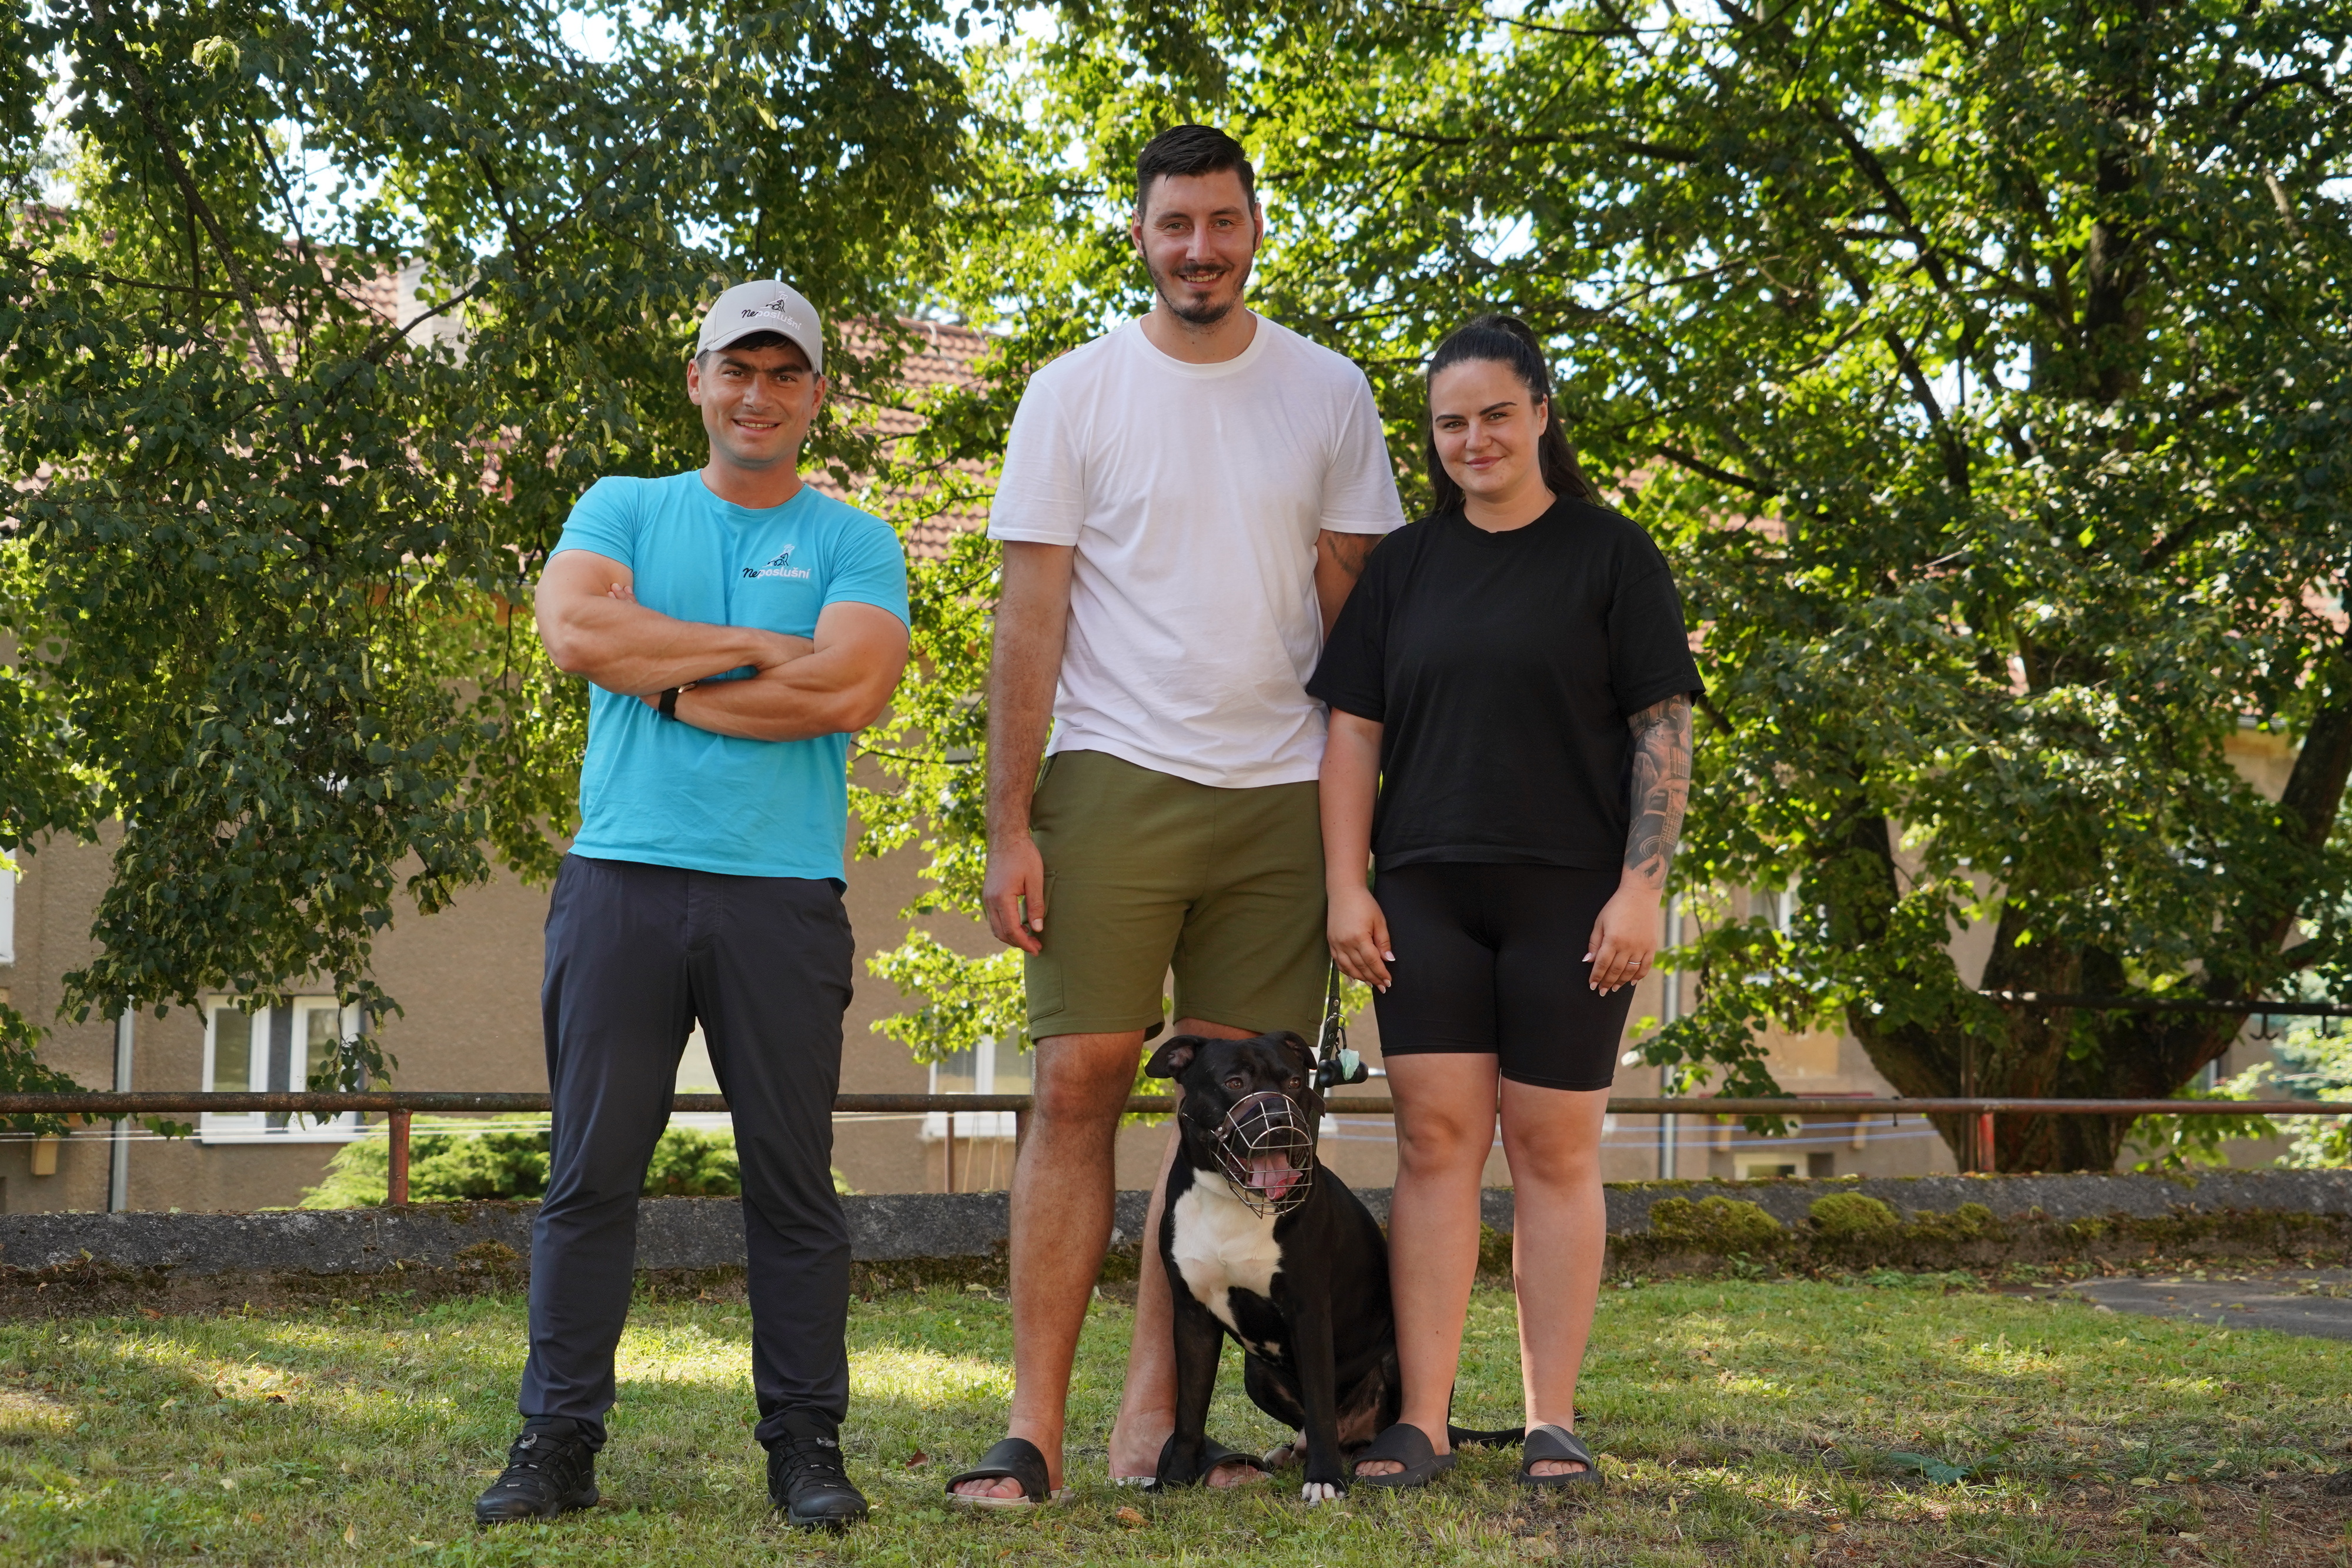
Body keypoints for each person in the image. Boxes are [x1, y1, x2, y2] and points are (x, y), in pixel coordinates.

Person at [947, 124, 1406, 1506]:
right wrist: (1006, 823)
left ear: (1254, 229)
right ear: (1139, 236)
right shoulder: (1072, 393)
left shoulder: (1328, 393)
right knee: (1077, 1083)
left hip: (1277, 797)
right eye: (1173, 224)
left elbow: (1355, 619)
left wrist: (1363, 827)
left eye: (1220, 221)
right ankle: (1028, 1429)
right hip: (1109, 778)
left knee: (1224, 1121)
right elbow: (1027, 618)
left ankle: (1159, 1425)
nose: (1197, 246)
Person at [475, 280, 911, 1531]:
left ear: (815, 394)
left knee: (791, 1178)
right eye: (738, 369)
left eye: (785, 374)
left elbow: (848, 688)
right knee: (589, 1172)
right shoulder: (622, 505)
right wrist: (763, 649)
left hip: (781, 892)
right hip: (621, 876)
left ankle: (805, 1444)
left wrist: (660, 675)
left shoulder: (854, 538)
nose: (758, 395)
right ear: (697, 379)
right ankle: (557, 1439)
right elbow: (571, 631)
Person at [1307, 314, 1699, 1490]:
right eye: (1447, 422)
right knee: (1432, 1141)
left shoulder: (1610, 554)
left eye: (1492, 413)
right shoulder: (1405, 567)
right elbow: (1351, 734)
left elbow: (1661, 730)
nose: (1470, 438)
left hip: (1571, 899)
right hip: (1423, 889)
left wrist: (1642, 888)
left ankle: (1550, 1418)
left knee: (1550, 1147)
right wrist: (1344, 885)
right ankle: (1418, 1418)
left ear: (1538, 413)